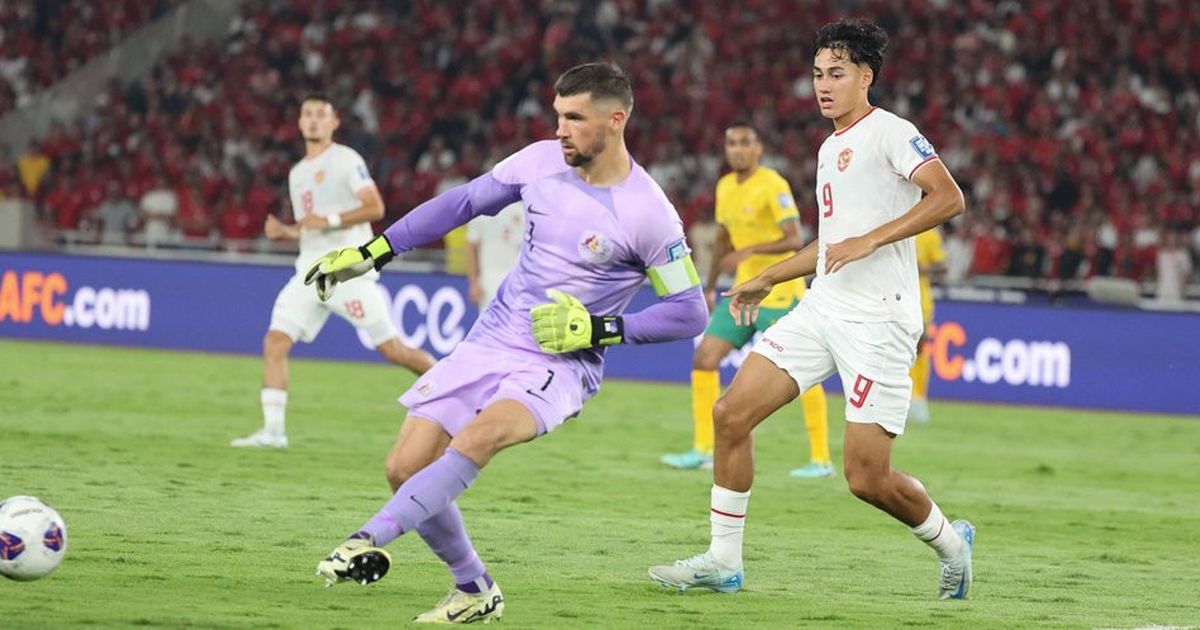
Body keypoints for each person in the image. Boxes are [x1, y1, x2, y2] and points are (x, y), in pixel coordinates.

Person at [306, 62, 708, 623]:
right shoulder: (540, 161)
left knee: (480, 435)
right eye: (557, 116)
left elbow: (689, 312)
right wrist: (373, 252)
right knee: (404, 467)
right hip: (490, 339)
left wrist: (598, 331)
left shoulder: (648, 213)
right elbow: (462, 204)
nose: (560, 129)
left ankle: (363, 538)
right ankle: (474, 589)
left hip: (561, 364)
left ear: (616, 121)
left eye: (574, 118)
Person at [648, 19, 975, 600]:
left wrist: (872, 240)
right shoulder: (830, 147)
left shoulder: (892, 133)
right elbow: (830, 242)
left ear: (865, 77)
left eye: (837, 74)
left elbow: (949, 197)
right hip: (822, 308)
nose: (823, 85)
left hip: (879, 320)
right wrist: (767, 277)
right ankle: (723, 562)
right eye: (818, 74)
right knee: (731, 415)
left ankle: (952, 543)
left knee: (865, 478)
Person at [231, 93, 435, 449]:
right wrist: (287, 231)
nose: (312, 120)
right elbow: (312, 225)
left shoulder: (345, 159)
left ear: (334, 122)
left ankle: (458, 388)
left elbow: (374, 207)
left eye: (320, 115)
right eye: (307, 114)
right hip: (308, 271)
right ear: (299, 122)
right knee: (275, 342)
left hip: (345, 270)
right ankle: (273, 432)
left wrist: (330, 219)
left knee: (393, 350)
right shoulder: (297, 173)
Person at [660, 123, 833, 478]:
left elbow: (795, 237)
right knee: (705, 358)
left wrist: (751, 250)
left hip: (779, 292)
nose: (737, 149)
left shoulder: (773, 184)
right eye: (731, 143)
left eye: (745, 143)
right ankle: (703, 448)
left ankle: (821, 459)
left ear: (758, 150)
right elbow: (724, 240)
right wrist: (708, 286)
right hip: (741, 292)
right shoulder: (725, 186)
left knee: (803, 372)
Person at [908, 227, 947, 423]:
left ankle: (918, 398)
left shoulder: (929, 232)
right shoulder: (893, 224)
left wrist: (922, 269)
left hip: (920, 300)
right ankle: (902, 397)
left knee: (919, 348)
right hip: (892, 299)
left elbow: (942, 266)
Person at [464, 200, 524, 309]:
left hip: (515, 277)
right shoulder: (481, 211)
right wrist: (473, 282)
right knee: (489, 322)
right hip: (488, 278)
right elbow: (471, 248)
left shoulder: (521, 210)